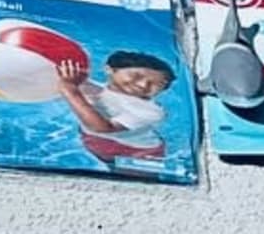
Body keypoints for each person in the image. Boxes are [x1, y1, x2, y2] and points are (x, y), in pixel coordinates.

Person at [53, 47, 183, 165]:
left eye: (158, 84)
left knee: (137, 186)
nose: (143, 85)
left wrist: (70, 91)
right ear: (110, 69)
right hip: (94, 141)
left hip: (138, 151)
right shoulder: (93, 88)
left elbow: (102, 127)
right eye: (136, 76)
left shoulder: (152, 112)